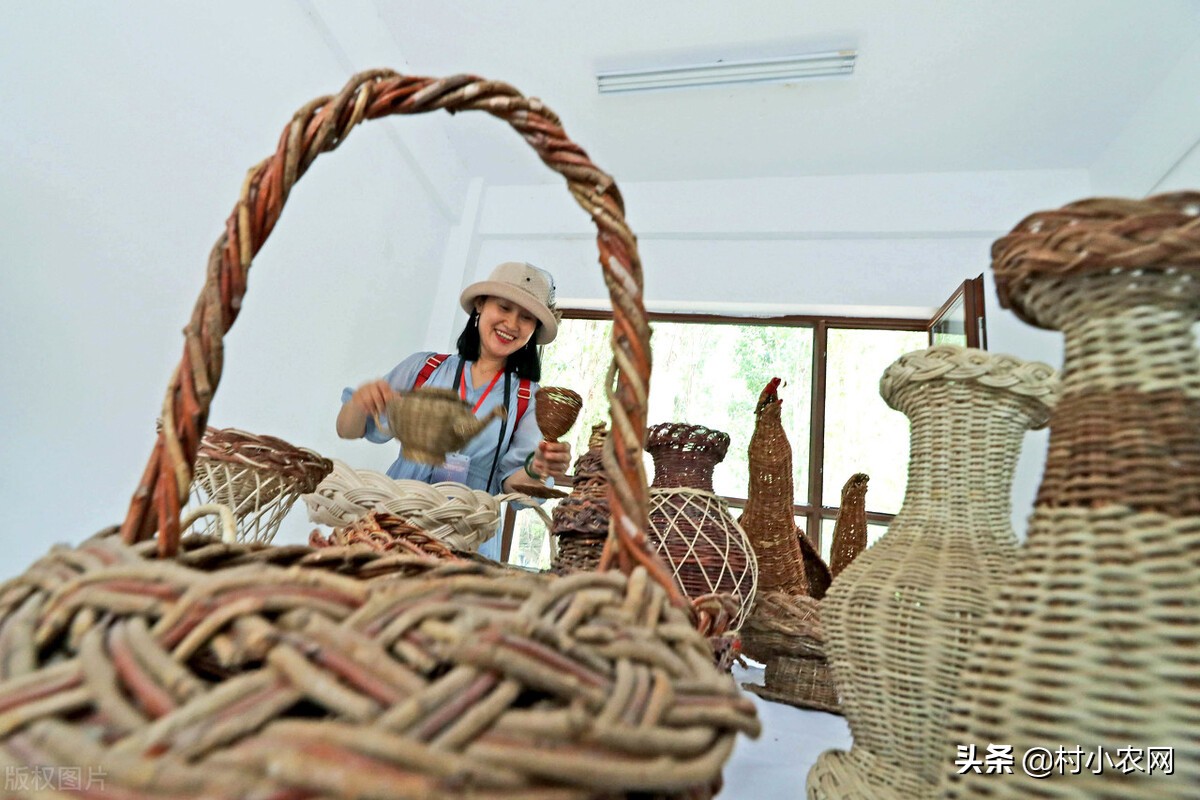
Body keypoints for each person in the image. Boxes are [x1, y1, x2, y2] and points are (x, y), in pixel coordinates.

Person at [336, 261, 573, 560]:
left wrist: (537, 469)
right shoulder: (424, 368)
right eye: (504, 308)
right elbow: (348, 429)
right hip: (391, 523)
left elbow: (517, 487)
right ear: (480, 306)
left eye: (526, 318)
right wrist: (360, 401)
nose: (512, 324)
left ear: (534, 331)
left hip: (466, 540)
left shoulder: (529, 399)